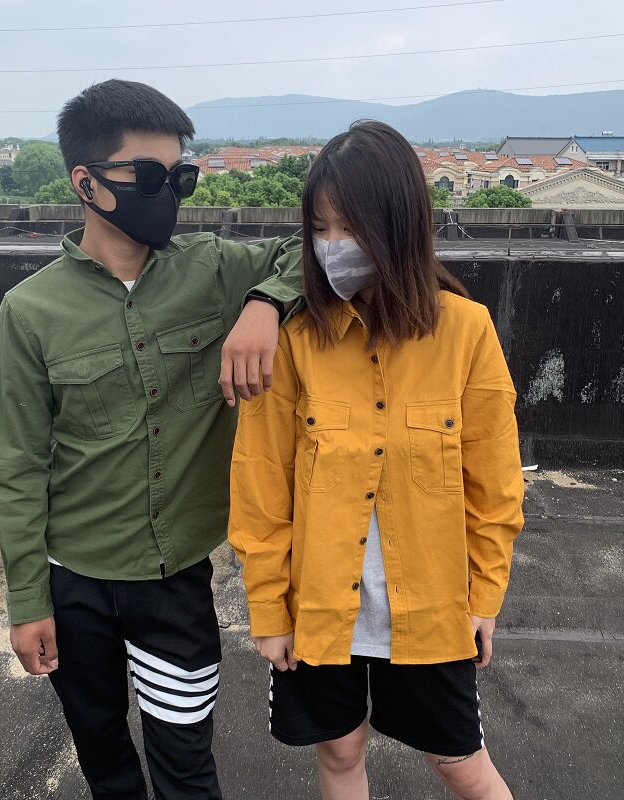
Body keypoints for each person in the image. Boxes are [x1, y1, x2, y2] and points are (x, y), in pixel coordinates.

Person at [0, 79, 302, 800]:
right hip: (74, 580)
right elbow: (15, 465)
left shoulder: (213, 269)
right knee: (104, 757)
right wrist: (27, 600)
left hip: (174, 579)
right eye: (149, 177)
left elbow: (312, 251)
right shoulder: (30, 311)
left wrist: (265, 303)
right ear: (86, 183)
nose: (168, 193)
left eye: (179, 178)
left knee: (185, 764)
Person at [228, 120, 524, 800]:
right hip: (319, 607)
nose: (333, 245)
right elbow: (261, 484)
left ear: (399, 226)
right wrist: (269, 609)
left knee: (460, 763)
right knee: (340, 753)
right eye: (320, 228)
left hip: (434, 607)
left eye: (350, 227)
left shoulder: (467, 331)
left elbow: (495, 484)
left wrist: (485, 596)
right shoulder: (296, 341)